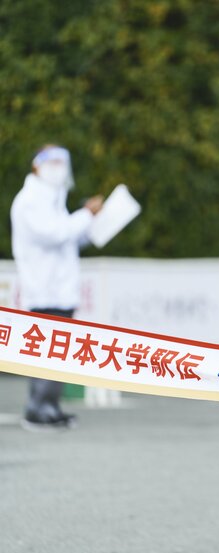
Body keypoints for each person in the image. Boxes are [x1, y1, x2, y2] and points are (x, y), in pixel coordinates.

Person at [10, 145, 103, 430]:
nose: (59, 167)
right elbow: (54, 234)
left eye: (63, 162)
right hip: (43, 290)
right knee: (46, 353)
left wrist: (92, 224)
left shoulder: (53, 200)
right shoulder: (29, 200)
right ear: (36, 166)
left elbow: (69, 238)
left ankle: (50, 406)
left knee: (59, 354)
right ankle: (37, 410)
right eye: (53, 161)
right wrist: (86, 214)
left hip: (61, 291)